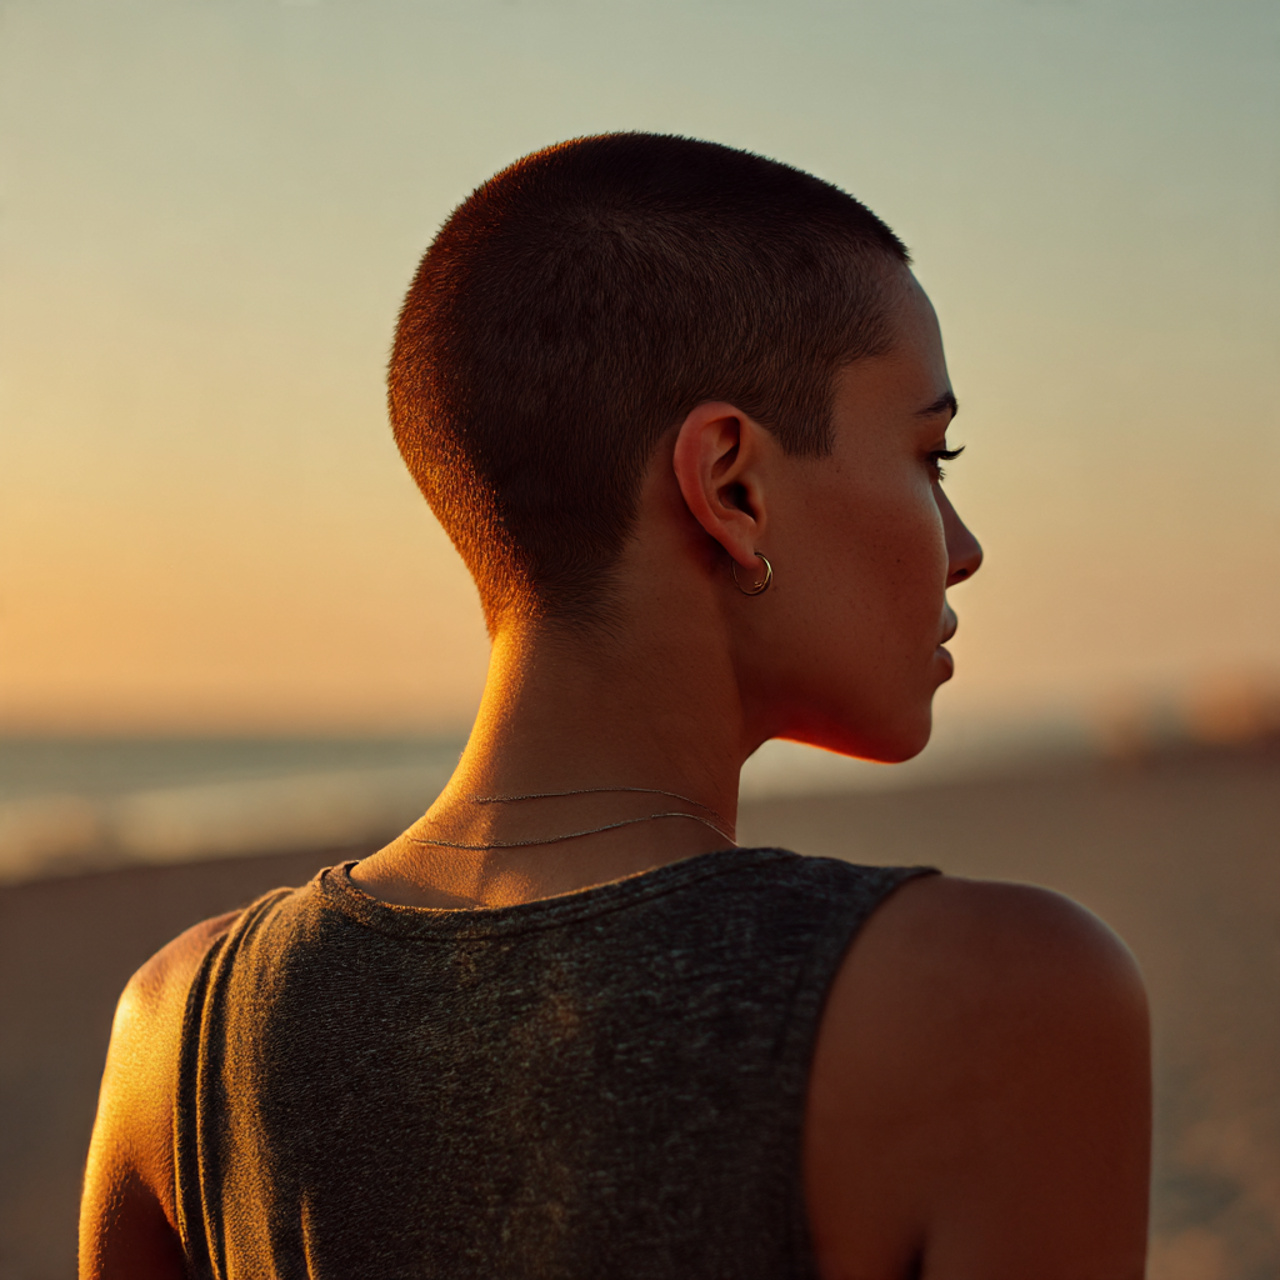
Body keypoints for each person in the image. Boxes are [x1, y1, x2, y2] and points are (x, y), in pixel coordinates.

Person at [80, 134, 1151, 1279]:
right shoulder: (991, 1000)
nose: (964, 548)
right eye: (931, 454)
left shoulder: (175, 1031)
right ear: (731, 486)